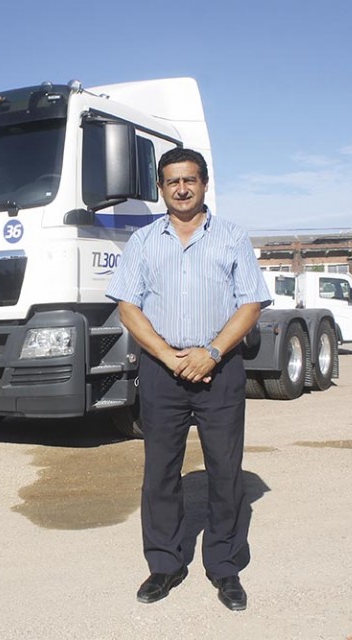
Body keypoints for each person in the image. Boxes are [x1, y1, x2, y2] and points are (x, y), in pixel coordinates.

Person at [106, 147, 271, 611]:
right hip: (162, 372)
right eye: (172, 181)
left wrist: (213, 352)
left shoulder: (232, 238)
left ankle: (225, 566)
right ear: (161, 188)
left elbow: (250, 304)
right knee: (160, 471)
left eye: (190, 180)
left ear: (203, 183)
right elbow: (128, 306)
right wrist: (167, 356)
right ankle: (165, 564)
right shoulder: (142, 242)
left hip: (219, 370)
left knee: (224, 471)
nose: (181, 188)